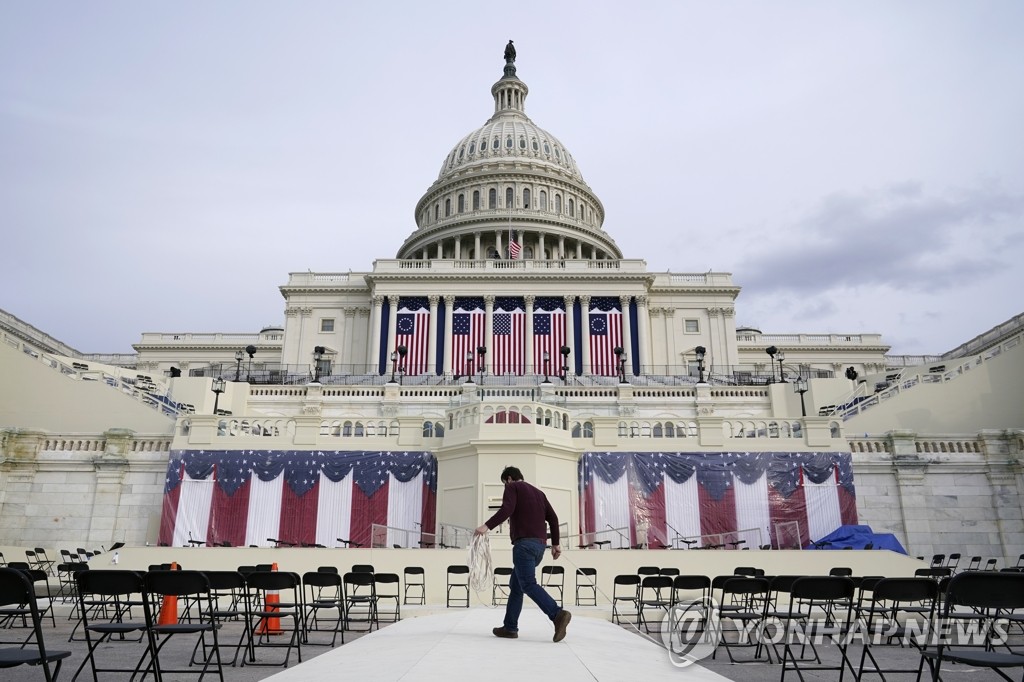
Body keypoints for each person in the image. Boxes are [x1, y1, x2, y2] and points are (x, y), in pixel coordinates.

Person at [475, 466, 571, 642]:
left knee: (527, 583)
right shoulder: (539, 493)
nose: (505, 487)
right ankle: (510, 627)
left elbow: (507, 509)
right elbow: (554, 518)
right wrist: (556, 544)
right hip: (540, 547)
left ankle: (557, 614)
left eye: (504, 483)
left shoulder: (512, 487)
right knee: (517, 585)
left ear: (509, 479)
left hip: (524, 545)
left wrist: (486, 526)